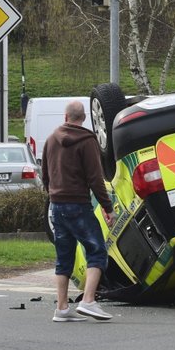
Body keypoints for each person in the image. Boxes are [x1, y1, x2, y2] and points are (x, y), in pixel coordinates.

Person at [42, 100, 114, 322]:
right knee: (97, 250)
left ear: (65, 117)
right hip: (78, 205)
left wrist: (53, 194)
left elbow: (44, 174)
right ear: (83, 119)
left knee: (64, 257)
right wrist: (106, 206)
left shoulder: (51, 139)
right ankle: (89, 301)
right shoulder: (87, 140)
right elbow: (95, 178)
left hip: (56, 206)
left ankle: (62, 308)